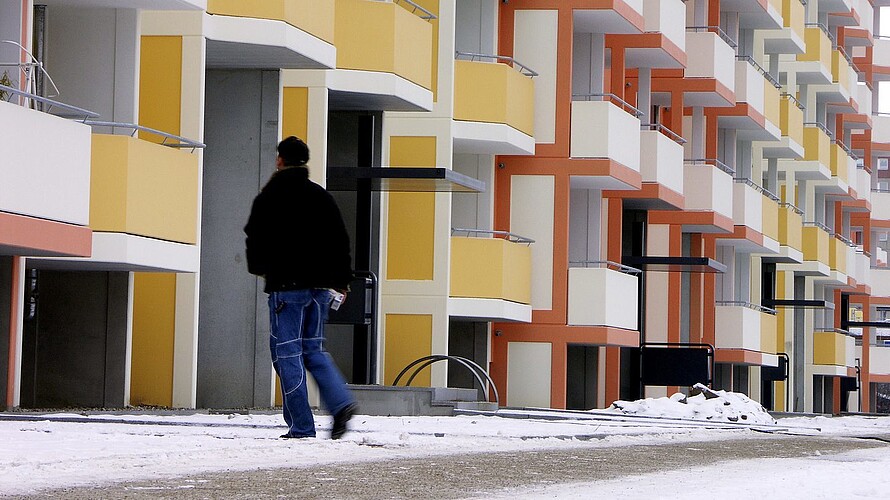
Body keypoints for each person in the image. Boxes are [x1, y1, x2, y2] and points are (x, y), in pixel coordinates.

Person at [244, 136, 357, 439]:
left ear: (280, 160)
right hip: (320, 289)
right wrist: (341, 280)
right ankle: (341, 402)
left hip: (286, 287)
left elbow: (254, 238)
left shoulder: (269, 197)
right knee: (313, 349)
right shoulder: (320, 197)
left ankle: (301, 426)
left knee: (287, 353)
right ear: (305, 161)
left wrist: (261, 268)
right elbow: (340, 240)